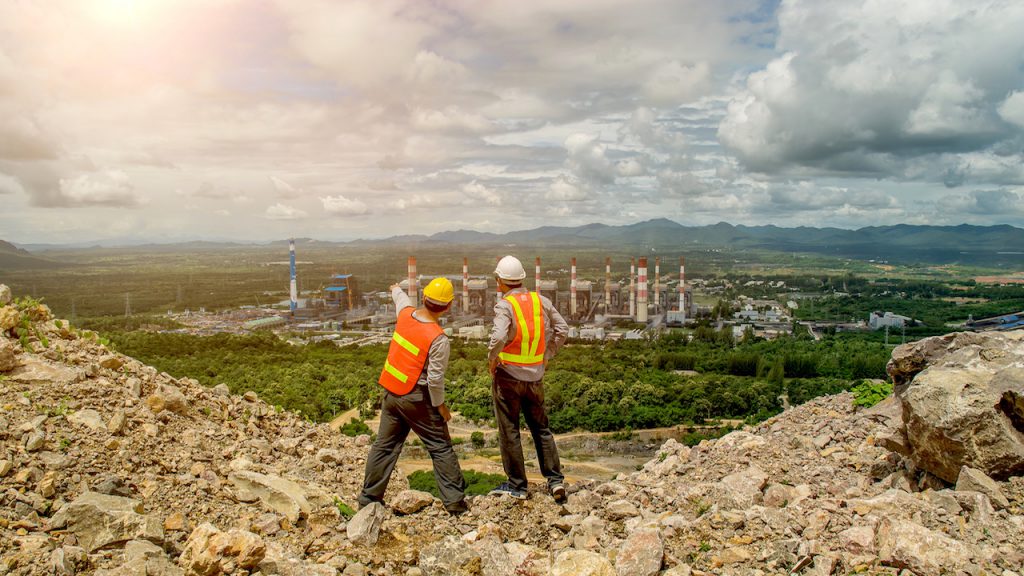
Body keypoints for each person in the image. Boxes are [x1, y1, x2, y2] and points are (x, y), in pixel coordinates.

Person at [358, 277, 468, 515]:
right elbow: (435, 380)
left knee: (384, 447)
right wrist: (440, 406)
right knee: (440, 448)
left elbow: (401, 299)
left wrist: (395, 288)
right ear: (449, 306)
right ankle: (456, 505)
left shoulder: (405, 315)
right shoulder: (438, 338)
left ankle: (368, 500)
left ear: (424, 297)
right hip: (417, 399)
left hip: (391, 394)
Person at [486, 255, 569, 502]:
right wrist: (547, 355)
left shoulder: (505, 306)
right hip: (535, 377)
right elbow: (563, 329)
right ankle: (555, 481)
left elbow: (499, 336)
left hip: (508, 377)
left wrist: (492, 359)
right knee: (541, 429)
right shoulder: (540, 301)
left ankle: (517, 486)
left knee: (509, 430)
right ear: (522, 278)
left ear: (499, 281)